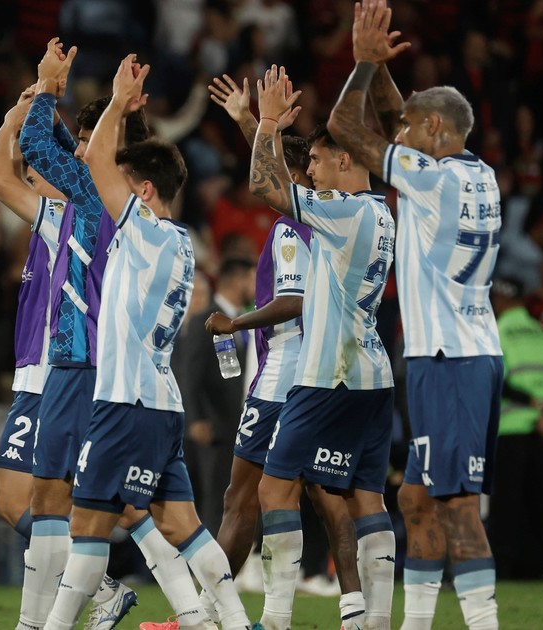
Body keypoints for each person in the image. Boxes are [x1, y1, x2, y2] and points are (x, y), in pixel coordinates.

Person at [43, 54, 251, 630]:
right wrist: (129, 116)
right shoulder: (183, 244)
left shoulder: (143, 230)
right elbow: (110, 162)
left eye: (128, 185)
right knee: (183, 524)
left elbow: (95, 160)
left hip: (124, 403)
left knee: (86, 528)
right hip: (161, 404)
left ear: (147, 189)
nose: (116, 192)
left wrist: (115, 100)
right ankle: (229, 622)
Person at [326, 2, 505, 627]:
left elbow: (344, 127)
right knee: (417, 497)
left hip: (448, 361)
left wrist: (361, 66)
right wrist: (383, 72)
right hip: (470, 351)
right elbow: (396, 123)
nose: (397, 134)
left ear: (433, 129)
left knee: (458, 508)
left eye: (409, 127)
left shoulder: (433, 180)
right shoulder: (477, 175)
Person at [18, 38, 205, 630]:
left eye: (86, 137)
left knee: (55, 497)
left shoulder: (91, 189)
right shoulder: (135, 209)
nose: (79, 147)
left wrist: (46, 88)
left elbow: (31, 147)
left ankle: (37, 625)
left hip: (82, 360)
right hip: (125, 371)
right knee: (132, 507)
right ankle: (197, 612)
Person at [250, 64, 397, 630]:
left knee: (274, 488)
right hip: (373, 374)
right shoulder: (382, 213)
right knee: (365, 498)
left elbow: (266, 187)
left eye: (315, 160)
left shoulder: (344, 212)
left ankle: (276, 619)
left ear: (346, 160)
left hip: (327, 375)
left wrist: (267, 124)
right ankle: (370, 620)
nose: (310, 171)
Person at [205, 73, 358, 604]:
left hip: (283, 374)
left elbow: (292, 300)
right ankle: (356, 607)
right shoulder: (333, 221)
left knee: (241, 499)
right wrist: (253, 122)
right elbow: (278, 165)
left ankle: (208, 612)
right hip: (328, 371)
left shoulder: (290, 231)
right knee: (327, 498)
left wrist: (235, 323)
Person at [0, 87, 63, 564]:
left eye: (34, 178)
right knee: (57, 505)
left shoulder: (61, 219)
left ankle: (101, 587)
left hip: (47, 379)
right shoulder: (50, 226)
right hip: (47, 375)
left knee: (12, 499)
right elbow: (10, 168)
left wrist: (13, 116)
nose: (26, 184)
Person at [487, 276, 543, 579]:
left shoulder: (495, 330)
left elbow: (494, 379)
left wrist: (526, 400)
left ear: (502, 299)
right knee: (540, 500)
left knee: (507, 502)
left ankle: (504, 566)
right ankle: (540, 566)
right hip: (542, 430)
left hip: (509, 428)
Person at [179, 255, 255, 534]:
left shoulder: (245, 321)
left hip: (240, 423)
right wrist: (195, 419)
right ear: (237, 281)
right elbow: (190, 373)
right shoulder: (204, 319)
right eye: (253, 278)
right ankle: (210, 554)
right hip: (214, 425)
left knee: (236, 495)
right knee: (214, 497)